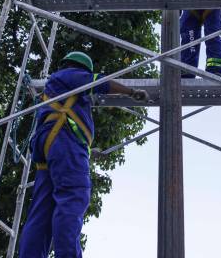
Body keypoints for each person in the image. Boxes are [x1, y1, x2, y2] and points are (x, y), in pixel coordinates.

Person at [18, 51, 148, 258]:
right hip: (63, 142)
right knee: (74, 195)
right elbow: (101, 82)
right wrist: (131, 92)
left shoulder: (57, 86)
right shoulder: (73, 75)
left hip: (50, 145)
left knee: (42, 210)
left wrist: (88, 151)